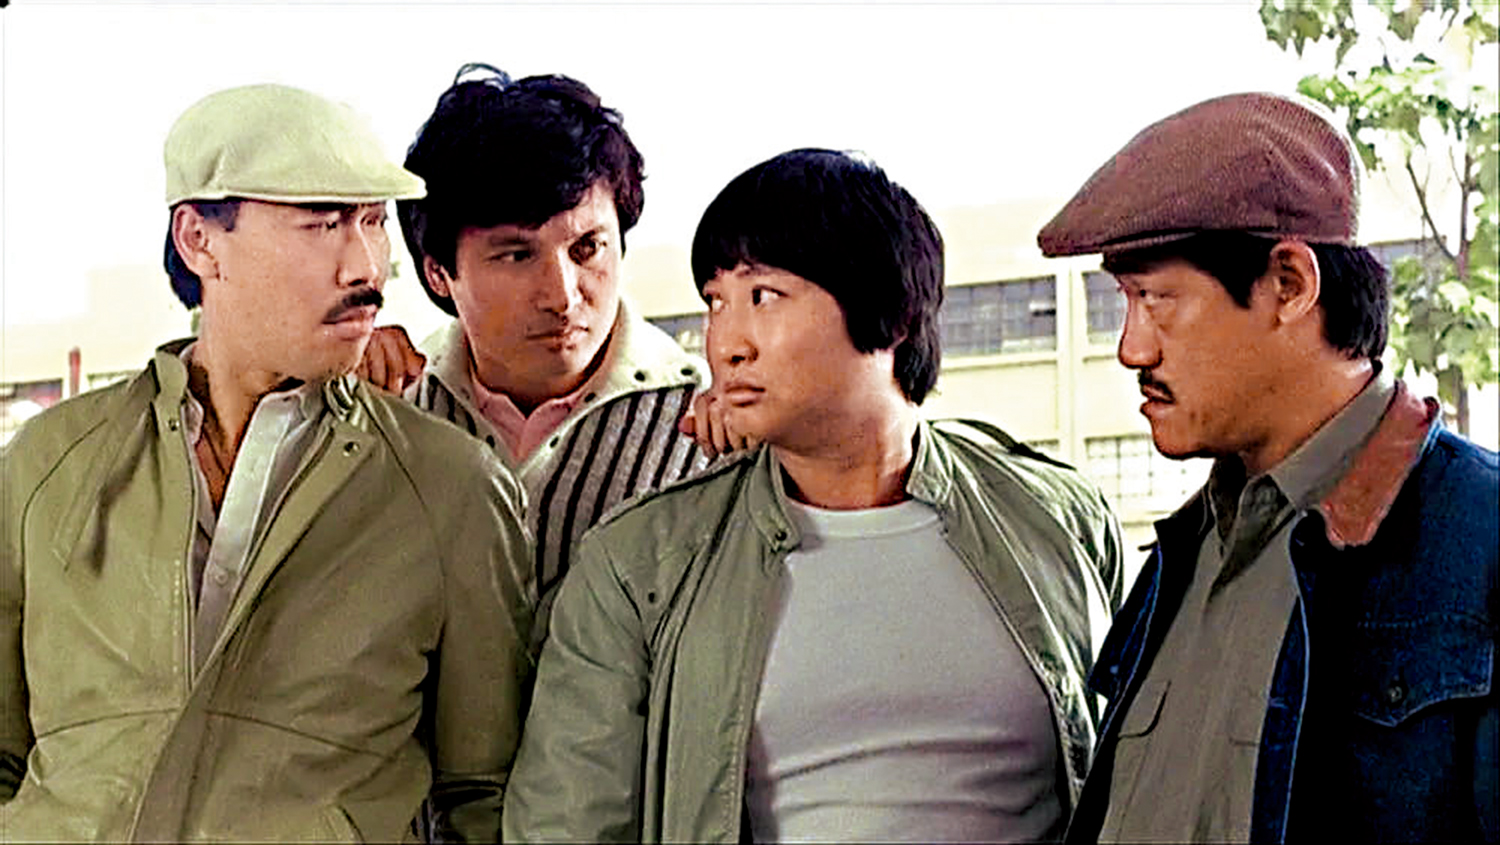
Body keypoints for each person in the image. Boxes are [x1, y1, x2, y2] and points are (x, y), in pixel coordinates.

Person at [503, 148, 1124, 843]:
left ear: (890, 311)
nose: (726, 344)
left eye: (764, 296)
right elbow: (567, 827)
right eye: (716, 302)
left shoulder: (1056, 518)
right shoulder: (641, 564)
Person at [0, 84, 535, 842]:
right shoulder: (47, 468)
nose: (365, 267)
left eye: (373, 222)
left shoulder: (450, 487)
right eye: (321, 223)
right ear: (199, 240)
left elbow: (486, 796)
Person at [1038, 91, 1499, 843]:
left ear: (1289, 284)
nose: (1131, 348)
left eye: (1156, 300)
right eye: (1125, 302)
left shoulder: (1480, 542)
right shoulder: (1183, 554)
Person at [385, 64, 724, 636]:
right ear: (438, 272)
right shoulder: (390, 416)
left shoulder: (708, 428)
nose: (562, 296)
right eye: (517, 256)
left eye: (588, 247)